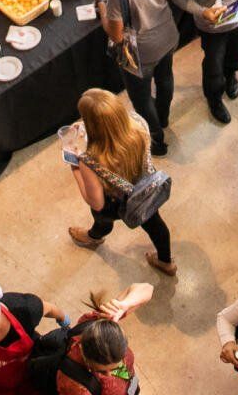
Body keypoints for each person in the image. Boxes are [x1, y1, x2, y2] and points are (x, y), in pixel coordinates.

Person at [91, 0, 181, 154]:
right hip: (168, 33)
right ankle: (163, 118)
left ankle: (157, 140)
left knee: (141, 98)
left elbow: (115, 35)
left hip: (141, 52)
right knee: (165, 77)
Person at [66, 87, 176, 276]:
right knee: (155, 225)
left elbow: (96, 203)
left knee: (102, 220)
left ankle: (93, 237)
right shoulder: (139, 125)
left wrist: (75, 169)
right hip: (145, 188)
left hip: (115, 201)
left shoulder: (91, 161)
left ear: (92, 126)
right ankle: (166, 262)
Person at [51, 286, 157, 395]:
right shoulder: (74, 384)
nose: (109, 375)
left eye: (115, 366)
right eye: (101, 371)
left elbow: (146, 288)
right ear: (83, 351)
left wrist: (124, 305)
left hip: (126, 392)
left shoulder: (102, 326)